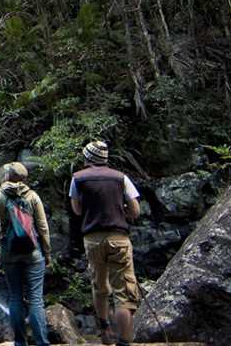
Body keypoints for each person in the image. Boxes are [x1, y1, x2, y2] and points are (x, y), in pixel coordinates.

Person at [69, 141, 141, 346]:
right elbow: (135, 210)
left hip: (92, 239)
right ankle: (124, 341)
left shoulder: (78, 179)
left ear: (87, 159)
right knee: (123, 292)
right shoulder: (121, 178)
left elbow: (77, 210)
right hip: (119, 237)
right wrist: (122, 211)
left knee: (99, 286)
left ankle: (105, 331)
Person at [0, 162, 51, 346]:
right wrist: (47, 252)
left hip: (9, 251)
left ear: (6, 176)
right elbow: (43, 227)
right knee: (35, 299)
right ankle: (41, 342)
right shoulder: (32, 196)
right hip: (33, 251)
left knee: (15, 296)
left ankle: (20, 342)